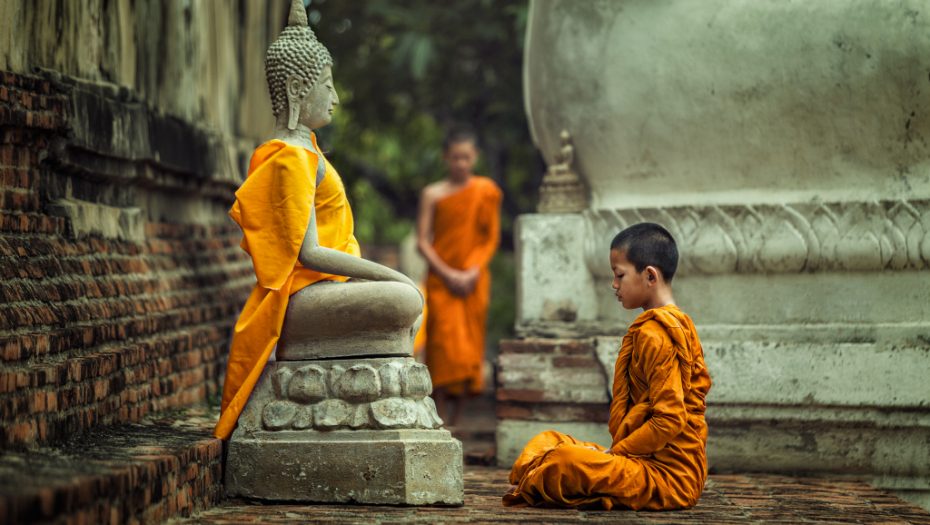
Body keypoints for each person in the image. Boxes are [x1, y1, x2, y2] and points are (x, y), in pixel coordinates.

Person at [214, 0, 423, 440]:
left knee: (406, 301)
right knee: (404, 300)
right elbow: (307, 253)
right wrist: (395, 277)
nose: (335, 97)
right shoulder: (288, 157)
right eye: (326, 85)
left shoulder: (305, 151)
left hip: (323, 291)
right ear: (295, 91)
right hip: (301, 295)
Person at [503, 223, 712, 510]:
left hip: (669, 478)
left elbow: (670, 420)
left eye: (619, 275)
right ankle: (541, 475)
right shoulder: (669, 325)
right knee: (547, 441)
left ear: (650, 275)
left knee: (564, 462)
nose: (614, 285)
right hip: (638, 462)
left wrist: (616, 453)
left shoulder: (659, 333)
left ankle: (541, 477)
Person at [416, 127, 502, 426]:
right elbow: (421, 242)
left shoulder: (485, 190)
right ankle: (439, 413)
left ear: (475, 156)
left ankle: (460, 418)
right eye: (455, 157)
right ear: (445, 157)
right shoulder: (433, 193)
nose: (461, 164)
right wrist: (449, 273)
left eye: (466, 157)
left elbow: (490, 238)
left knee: (468, 349)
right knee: (441, 345)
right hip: (442, 279)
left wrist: (472, 271)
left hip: (473, 279)